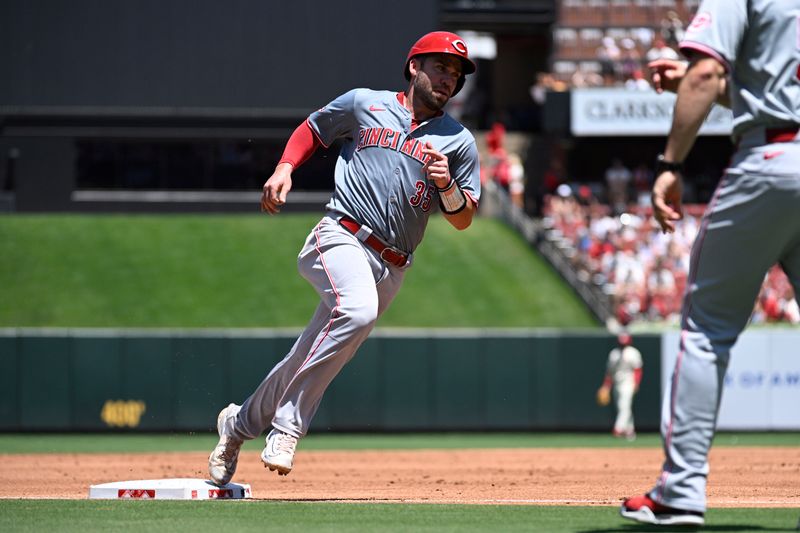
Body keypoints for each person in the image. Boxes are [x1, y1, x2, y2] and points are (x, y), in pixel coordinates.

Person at [207, 31, 480, 485]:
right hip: (341, 235)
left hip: (393, 264)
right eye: (440, 68)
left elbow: (464, 217)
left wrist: (447, 184)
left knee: (306, 355)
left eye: (455, 74)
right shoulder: (363, 104)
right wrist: (284, 167)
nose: (448, 79)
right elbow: (314, 129)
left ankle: (236, 426)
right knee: (356, 312)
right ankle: (288, 427)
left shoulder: (458, 141)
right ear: (414, 67)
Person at [621, 0, 800, 527]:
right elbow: (759, 87)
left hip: (772, 159)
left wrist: (670, 164)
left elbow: (707, 68)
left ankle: (679, 492)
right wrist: (704, 84)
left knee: (705, 331)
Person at [596, 332, 643, 440]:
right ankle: (630, 431)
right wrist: (606, 386)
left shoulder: (633, 353)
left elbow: (637, 370)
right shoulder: (614, 354)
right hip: (617, 382)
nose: (623, 345)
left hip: (628, 382)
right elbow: (609, 372)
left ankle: (618, 428)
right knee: (622, 407)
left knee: (624, 405)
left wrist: (636, 383)